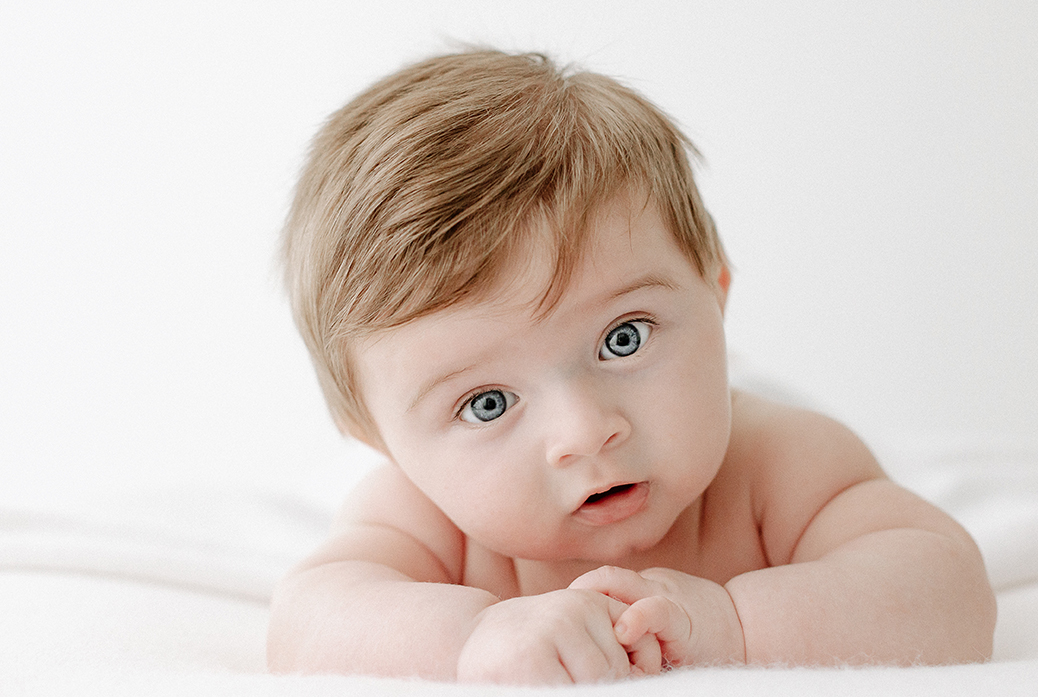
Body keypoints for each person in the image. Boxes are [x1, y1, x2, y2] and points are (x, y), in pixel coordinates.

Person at [267, 49, 996, 684]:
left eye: (624, 339)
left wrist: (737, 623)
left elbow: (947, 587)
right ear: (379, 439)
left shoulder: (780, 462)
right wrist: (471, 639)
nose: (584, 432)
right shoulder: (422, 518)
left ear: (715, 294)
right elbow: (305, 621)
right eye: (487, 403)